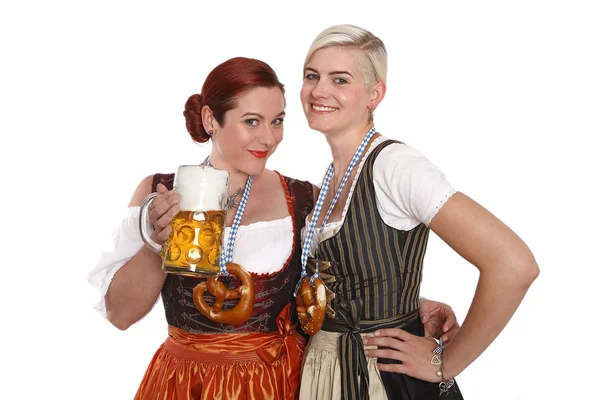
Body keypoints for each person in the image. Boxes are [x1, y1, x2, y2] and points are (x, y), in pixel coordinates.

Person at [87, 56, 459, 400]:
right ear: (210, 119)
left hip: (279, 380)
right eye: (252, 121)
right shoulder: (160, 192)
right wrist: (159, 241)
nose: (269, 138)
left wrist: (413, 307)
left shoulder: (305, 198)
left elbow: (337, 289)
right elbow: (120, 315)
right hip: (186, 383)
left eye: (277, 121)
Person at [296, 24, 540, 400]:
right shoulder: (331, 177)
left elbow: (514, 264)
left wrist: (447, 362)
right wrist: (408, 302)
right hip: (328, 376)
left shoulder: (395, 165)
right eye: (311, 76)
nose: (318, 91)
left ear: (374, 94)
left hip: (385, 381)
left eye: (339, 80)